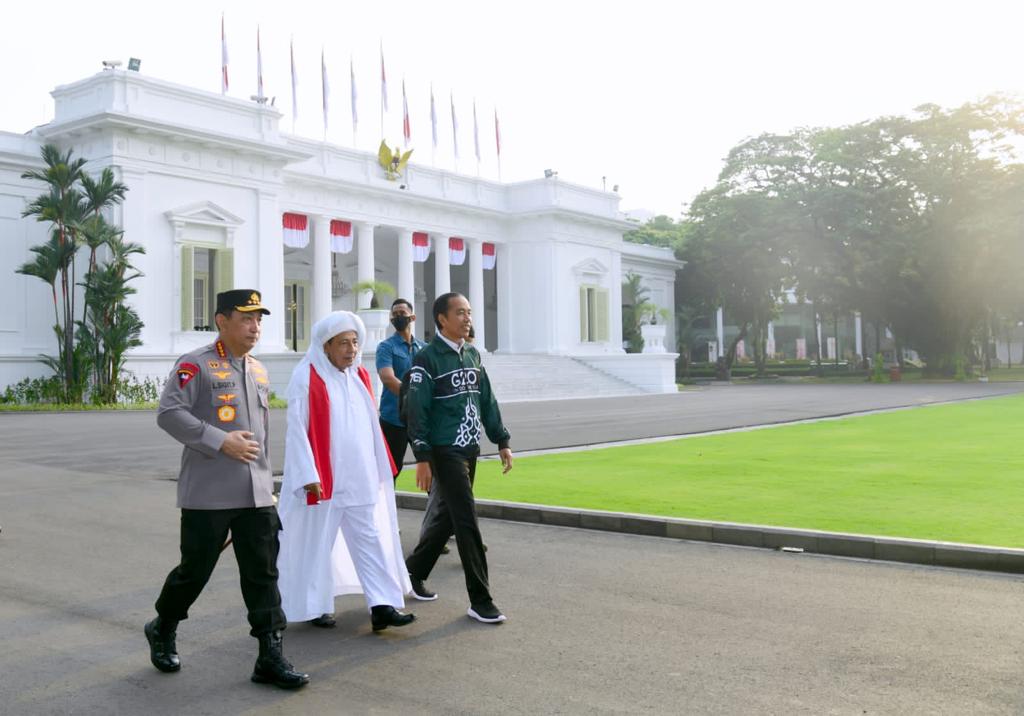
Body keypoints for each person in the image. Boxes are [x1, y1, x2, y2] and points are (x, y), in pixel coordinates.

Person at [145, 289, 308, 690]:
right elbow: (169, 414)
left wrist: (268, 483)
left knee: (264, 574)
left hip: (255, 493)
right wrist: (221, 440)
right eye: (246, 318)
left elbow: (263, 437)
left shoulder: (258, 369)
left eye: (259, 320)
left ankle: (270, 655)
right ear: (222, 320)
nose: (255, 327)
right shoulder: (195, 365)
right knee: (194, 571)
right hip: (209, 493)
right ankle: (163, 625)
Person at [276, 311, 415, 633]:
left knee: (371, 540)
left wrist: (379, 468)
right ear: (325, 346)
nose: (351, 350)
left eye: (355, 342)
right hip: (323, 482)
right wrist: (307, 474)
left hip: (360, 478)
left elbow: (368, 426)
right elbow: (297, 429)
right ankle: (315, 607)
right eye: (343, 343)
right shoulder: (307, 376)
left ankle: (382, 605)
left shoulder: (360, 376)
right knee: (317, 546)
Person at [404, 292, 514, 624]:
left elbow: (487, 401)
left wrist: (502, 439)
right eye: (461, 313)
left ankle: (411, 573)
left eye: (469, 312)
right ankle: (480, 600)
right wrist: (422, 456)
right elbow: (416, 411)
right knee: (466, 519)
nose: (468, 318)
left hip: (469, 448)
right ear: (442, 319)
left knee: (449, 518)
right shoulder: (427, 359)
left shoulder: (472, 355)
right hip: (443, 449)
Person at [375, 298, 427, 481]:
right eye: (394, 314)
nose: (397, 317)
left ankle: (437, 510)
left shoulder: (424, 349)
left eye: (402, 314)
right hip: (393, 419)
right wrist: (414, 398)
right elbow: (387, 378)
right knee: (389, 473)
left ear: (412, 317)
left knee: (430, 470)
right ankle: (385, 510)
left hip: (420, 422)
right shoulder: (386, 347)